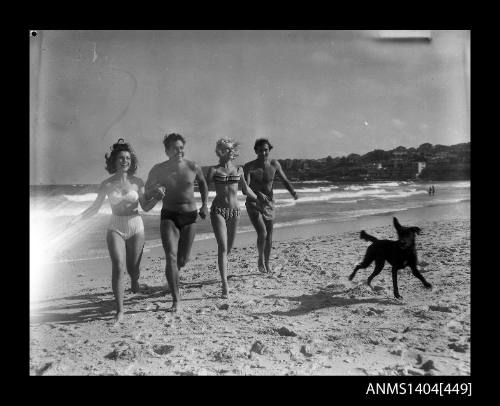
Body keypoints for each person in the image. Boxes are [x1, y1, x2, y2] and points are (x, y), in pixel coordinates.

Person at [70, 139, 158, 323]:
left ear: (131, 161)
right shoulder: (107, 184)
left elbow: (146, 207)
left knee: (133, 268)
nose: (125, 161)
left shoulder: (138, 182)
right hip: (115, 227)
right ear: (114, 161)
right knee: (118, 266)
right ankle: (120, 310)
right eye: (121, 158)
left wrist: (156, 197)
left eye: (128, 158)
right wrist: (78, 218)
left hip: (136, 226)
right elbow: (95, 208)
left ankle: (135, 281)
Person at [144, 133, 209, 312]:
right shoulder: (158, 169)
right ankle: (176, 299)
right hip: (169, 216)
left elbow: (203, 183)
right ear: (167, 151)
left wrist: (205, 205)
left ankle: (172, 278)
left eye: (181, 147)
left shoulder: (193, 166)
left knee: (183, 259)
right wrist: (155, 190)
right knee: (171, 257)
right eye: (175, 148)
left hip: (190, 216)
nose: (179, 151)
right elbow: (147, 190)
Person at [206, 138, 258, 299]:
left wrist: (260, 200)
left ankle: (223, 270)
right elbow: (201, 187)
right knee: (222, 248)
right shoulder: (213, 170)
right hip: (218, 211)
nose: (228, 152)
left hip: (235, 211)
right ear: (219, 151)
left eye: (230, 149)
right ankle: (224, 285)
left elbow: (245, 189)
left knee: (228, 248)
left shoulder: (239, 169)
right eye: (225, 149)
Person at [243, 138, 298, 273]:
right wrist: (257, 193)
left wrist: (293, 193)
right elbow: (245, 189)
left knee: (269, 236)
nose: (263, 153)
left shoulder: (274, 165)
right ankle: (260, 258)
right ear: (255, 150)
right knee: (262, 233)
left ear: (269, 150)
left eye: (266, 150)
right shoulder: (249, 166)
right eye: (260, 150)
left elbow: (284, 180)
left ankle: (267, 264)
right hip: (253, 202)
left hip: (269, 203)